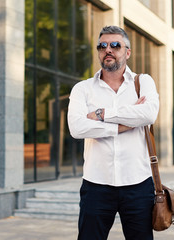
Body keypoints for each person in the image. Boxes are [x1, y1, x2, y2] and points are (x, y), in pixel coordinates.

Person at [67, 25, 159, 240]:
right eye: (102, 46)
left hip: (138, 183)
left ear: (127, 52)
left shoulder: (143, 81)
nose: (108, 49)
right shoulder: (83, 89)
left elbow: (148, 114)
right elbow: (77, 128)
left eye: (115, 45)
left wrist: (101, 113)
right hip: (96, 184)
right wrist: (123, 125)